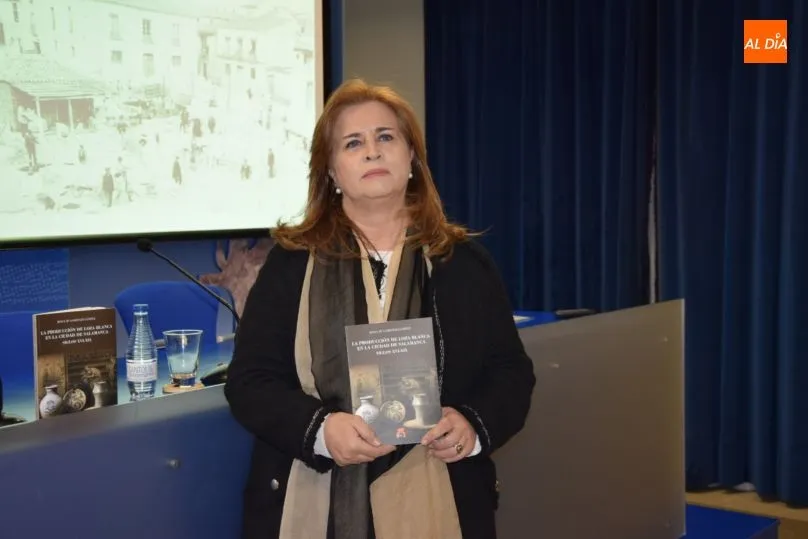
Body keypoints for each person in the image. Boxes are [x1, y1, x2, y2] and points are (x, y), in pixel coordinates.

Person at [225, 79, 536, 539]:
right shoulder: (292, 264)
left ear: (411, 158)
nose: (372, 151)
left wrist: (472, 424)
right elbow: (250, 381)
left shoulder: (463, 262)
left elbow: (511, 372)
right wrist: (322, 431)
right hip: (312, 500)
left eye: (385, 137)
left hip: (439, 494)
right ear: (331, 172)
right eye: (353, 143)